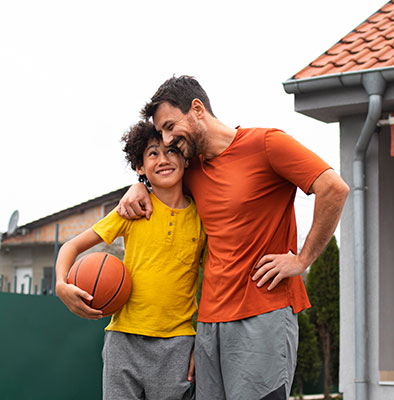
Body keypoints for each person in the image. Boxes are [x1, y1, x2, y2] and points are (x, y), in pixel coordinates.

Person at [118, 75, 349, 400]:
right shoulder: (191, 169)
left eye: (170, 126)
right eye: (162, 133)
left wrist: (302, 259)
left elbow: (334, 189)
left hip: (264, 314)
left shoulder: (267, 144)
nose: (167, 139)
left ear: (197, 109)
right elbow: (159, 182)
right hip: (211, 324)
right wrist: (138, 185)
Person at [56, 120, 206, 400]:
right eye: (153, 153)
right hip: (123, 339)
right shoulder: (132, 210)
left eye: (172, 151)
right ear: (140, 167)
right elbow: (72, 246)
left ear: (186, 159)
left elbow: (212, 283)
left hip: (178, 343)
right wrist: (60, 284)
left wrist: (202, 341)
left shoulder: (201, 220)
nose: (163, 159)